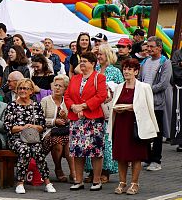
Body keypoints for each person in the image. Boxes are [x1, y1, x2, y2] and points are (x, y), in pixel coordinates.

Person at [109, 58, 159, 195]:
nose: (126, 71)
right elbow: (114, 105)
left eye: (130, 69)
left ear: (136, 71)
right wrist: (117, 109)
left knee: (136, 155)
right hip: (121, 124)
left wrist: (132, 107)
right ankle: (122, 182)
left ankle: (134, 183)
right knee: (121, 155)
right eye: (125, 69)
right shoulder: (119, 87)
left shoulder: (144, 87)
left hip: (137, 125)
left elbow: (149, 107)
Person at [4, 78, 56, 194]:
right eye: (20, 88)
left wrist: (33, 127)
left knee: (38, 150)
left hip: (33, 137)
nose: (23, 91)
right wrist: (23, 128)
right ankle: (20, 183)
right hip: (16, 138)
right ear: (17, 90)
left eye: (26, 88)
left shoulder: (36, 106)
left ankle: (47, 182)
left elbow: (42, 126)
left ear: (31, 91)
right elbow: (9, 127)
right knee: (24, 150)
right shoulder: (11, 106)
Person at [64, 52, 107, 191]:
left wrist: (84, 105)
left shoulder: (99, 77)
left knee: (95, 150)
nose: (82, 63)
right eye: (81, 61)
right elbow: (67, 95)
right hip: (77, 119)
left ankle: (96, 180)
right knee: (77, 150)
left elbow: (101, 95)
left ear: (93, 63)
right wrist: (73, 106)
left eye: (85, 61)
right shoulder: (75, 78)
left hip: (94, 119)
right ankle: (78, 180)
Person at [85, 44, 124, 184]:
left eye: (101, 54)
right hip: (93, 110)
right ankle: (92, 171)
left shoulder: (115, 71)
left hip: (108, 110)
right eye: (98, 54)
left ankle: (105, 172)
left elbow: (121, 89)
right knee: (92, 141)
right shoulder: (92, 70)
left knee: (106, 142)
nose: (98, 56)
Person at [139, 37, 173, 171]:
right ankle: (146, 157)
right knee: (145, 131)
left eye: (152, 46)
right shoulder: (145, 62)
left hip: (157, 102)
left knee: (157, 132)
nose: (149, 49)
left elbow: (164, 84)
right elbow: (140, 78)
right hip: (143, 102)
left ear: (159, 47)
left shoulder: (165, 62)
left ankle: (156, 160)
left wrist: (146, 90)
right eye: (148, 46)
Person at [41, 74, 74, 182]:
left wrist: (66, 117)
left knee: (70, 144)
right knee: (58, 144)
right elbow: (39, 120)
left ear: (65, 88)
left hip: (65, 131)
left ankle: (73, 172)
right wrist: (53, 121)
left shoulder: (67, 101)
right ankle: (58, 169)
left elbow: (72, 119)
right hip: (49, 132)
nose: (57, 88)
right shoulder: (45, 100)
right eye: (55, 85)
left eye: (60, 86)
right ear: (52, 86)